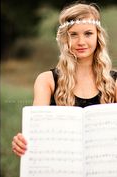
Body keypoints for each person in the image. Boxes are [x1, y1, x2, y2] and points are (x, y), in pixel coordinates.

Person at [12, 2, 117, 157]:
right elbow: (36, 130)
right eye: (73, 34)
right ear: (64, 38)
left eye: (88, 33)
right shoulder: (46, 81)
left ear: (98, 36)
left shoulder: (114, 82)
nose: (81, 42)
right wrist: (23, 141)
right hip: (61, 162)